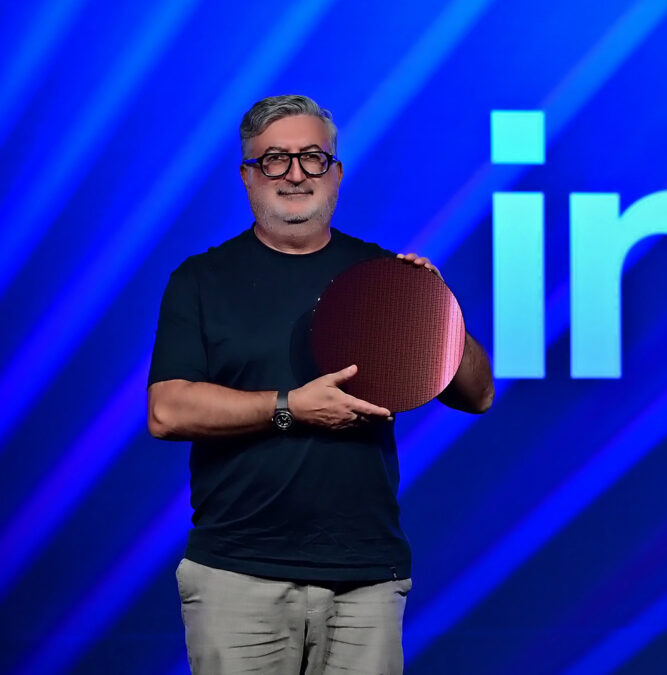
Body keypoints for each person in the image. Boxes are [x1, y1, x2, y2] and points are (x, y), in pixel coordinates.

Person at [147, 94, 493, 674]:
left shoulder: (383, 277)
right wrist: (290, 407)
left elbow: (477, 395)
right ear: (247, 176)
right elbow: (167, 411)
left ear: (335, 173)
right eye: (274, 159)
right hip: (238, 575)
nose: (295, 174)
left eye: (312, 157)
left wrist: (438, 309)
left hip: (365, 577)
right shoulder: (201, 280)